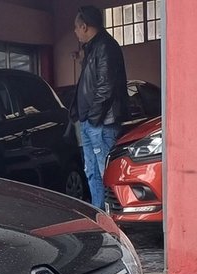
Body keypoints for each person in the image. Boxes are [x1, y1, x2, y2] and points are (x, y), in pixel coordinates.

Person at [71, 5, 129, 210]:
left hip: (102, 123)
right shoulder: (93, 48)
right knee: (92, 171)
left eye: (76, 28)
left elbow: (106, 87)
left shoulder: (105, 46)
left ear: (84, 26)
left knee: (105, 173)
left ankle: (111, 218)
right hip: (91, 122)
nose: (75, 32)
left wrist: (93, 118)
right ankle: (100, 215)